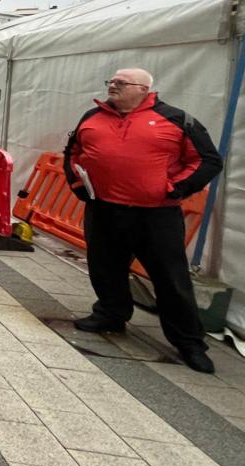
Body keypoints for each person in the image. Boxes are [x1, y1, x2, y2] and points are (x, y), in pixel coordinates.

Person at [63, 68, 222, 373]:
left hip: (155, 214)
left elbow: (207, 160)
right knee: (104, 266)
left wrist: (176, 188)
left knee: (170, 278)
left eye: (120, 83)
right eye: (110, 81)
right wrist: (78, 185)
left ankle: (189, 341)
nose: (112, 85)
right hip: (105, 208)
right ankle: (110, 314)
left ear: (144, 89)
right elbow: (73, 152)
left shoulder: (177, 120)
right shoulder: (92, 117)